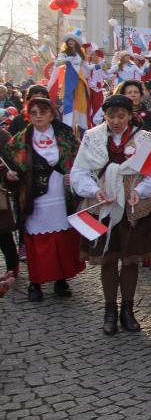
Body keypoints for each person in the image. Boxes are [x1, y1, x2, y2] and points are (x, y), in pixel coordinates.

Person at [71, 94, 151, 335]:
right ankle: (110, 311)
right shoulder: (92, 138)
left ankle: (128, 311)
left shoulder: (143, 139)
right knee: (108, 260)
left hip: (134, 209)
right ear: (105, 116)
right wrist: (94, 190)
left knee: (132, 261)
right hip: (104, 208)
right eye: (111, 116)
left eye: (121, 116)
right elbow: (79, 172)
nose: (115, 121)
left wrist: (140, 191)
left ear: (130, 115)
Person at [7, 97, 82, 301]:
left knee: (62, 239)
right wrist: (10, 175)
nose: (38, 116)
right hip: (34, 197)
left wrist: (74, 175)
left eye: (43, 112)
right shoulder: (20, 140)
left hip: (61, 194)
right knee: (37, 241)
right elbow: (12, 169)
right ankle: (36, 282)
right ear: (28, 116)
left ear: (51, 113)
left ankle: (61, 279)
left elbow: (80, 161)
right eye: (34, 113)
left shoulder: (66, 135)